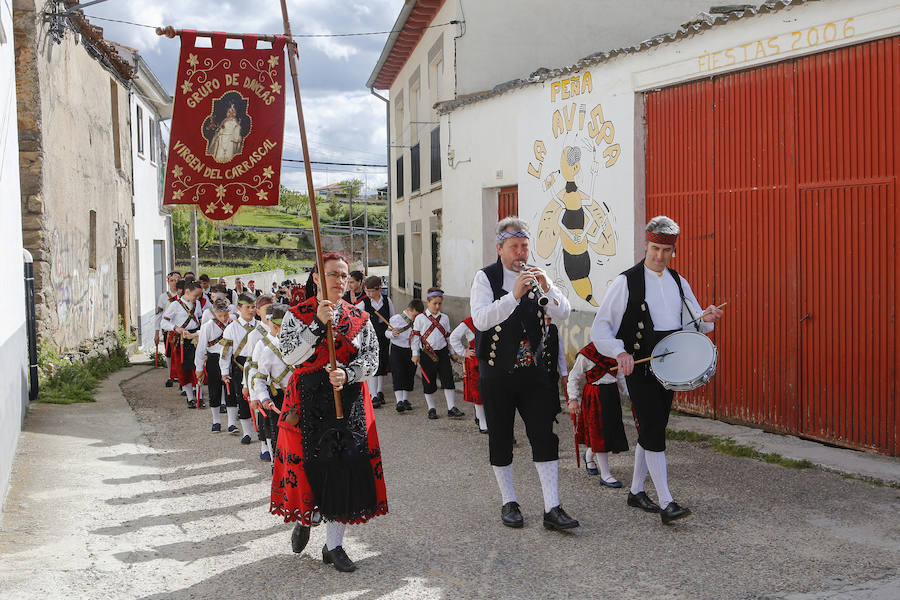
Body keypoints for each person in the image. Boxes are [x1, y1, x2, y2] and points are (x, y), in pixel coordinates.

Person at [590, 215, 723, 524]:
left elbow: (698, 323)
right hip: (639, 364)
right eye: (654, 249)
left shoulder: (679, 281)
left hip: (670, 366)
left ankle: (637, 492)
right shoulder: (626, 281)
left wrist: (709, 316)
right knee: (653, 429)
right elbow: (600, 330)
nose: (659, 256)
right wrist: (619, 352)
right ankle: (667, 502)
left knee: (653, 429)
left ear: (673, 251)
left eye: (666, 250)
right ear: (645, 245)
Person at [271, 252, 387, 573]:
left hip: (345, 400)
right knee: (310, 470)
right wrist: (317, 326)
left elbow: (373, 359)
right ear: (317, 279)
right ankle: (307, 518)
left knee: (344, 468)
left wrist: (348, 374)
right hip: (306, 400)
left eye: (344, 275)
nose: (340, 281)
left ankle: (333, 545)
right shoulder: (297, 315)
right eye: (333, 275)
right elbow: (291, 355)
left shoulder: (359, 317)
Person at [470, 216, 578, 531]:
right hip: (497, 374)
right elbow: (480, 320)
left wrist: (547, 288)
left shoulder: (536, 275)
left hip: (534, 374)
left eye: (525, 247)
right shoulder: (485, 278)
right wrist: (513, 295)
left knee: (545, 436)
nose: (521, 253)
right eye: (515, 247)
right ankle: (509, 501)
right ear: (500, 248)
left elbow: (564, 312)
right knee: (501, 438)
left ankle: (552, 507)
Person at [566, 341, 629, 486]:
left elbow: (620, 377)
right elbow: (573, 377)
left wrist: (630, 394)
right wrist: (573, 399)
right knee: (600, 433)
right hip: (594, 394)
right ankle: (605, 475)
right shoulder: (586, 354)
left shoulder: (616, 352)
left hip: (612, 394)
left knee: (609, 431)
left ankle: (588, 456)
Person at [411, 288, 463, 420]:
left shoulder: (444, 318)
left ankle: (451, 408)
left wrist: (452, 352)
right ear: (428, 302)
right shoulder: (420, 318)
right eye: (434, 303)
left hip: (443, 353)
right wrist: (415, 353)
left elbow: (447, 337)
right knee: (429, 381)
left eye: (440, 303)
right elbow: (416, 338)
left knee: (448, 379)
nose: (437, 306)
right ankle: (431, 408)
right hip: (427, 354)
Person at [249, 303, 292, 461]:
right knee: (279, 439)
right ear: (274, 326)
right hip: (278, 398)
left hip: (301, 395)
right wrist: (263, 398)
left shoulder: (304, 347)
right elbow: (259, 379)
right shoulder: (267, 349)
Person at [220, 293, 258, 444]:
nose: (251, 310)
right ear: (239, 308)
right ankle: (247, 432)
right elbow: (225, 353)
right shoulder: (231, 328)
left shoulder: (261, 327)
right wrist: (224, 371)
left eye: (253, 307)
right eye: (247, 307)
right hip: (239, 365)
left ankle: (262, 430)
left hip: (257, 364)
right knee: (242, 399)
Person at [160, 280, 204, 408]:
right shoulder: (175, 305)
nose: (197, 298)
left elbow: (200, 319)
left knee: (198, 367)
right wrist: (175, 328)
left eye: (199, 296)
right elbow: (164, 323)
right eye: (195, 295)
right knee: (184, 369)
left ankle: (199, 397)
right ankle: (190, 397)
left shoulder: (197, 304)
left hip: (195, 338)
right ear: (187, 291)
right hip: (182, 340)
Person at [243, 294, 276, 460]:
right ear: (258, 312)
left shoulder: (279, 327)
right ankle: (264, 445)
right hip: (262, 379)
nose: (269, 313)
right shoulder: (255, 334)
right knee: (264, 416)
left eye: (272, 308)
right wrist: (248, 386)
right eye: (266, 310)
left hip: (277, 378)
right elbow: (250, 363)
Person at [356, 275, 394, 408]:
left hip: (384, 338)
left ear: (379, 289)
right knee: (372, 365)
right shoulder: (364, 304)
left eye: (371, 291)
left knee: (382, 365)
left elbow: (392, 319)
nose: (369, 294)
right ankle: (373, 395)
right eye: (367, 291)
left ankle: (379, 391)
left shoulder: (387, 301)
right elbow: (355, 319)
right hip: (369, 339)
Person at [195, 298, 232, 432]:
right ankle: (216, 420)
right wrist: (199, 368)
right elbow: (200, 348)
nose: (223, 318)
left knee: (230, 391)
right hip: (214, 359)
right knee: (214, 390)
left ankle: (231, 422)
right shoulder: (208, 326)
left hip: (230, 359)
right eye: (220, 315)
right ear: (214, 313)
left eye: (226, 315)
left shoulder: (233, 323)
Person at [449, 317, 487, 433]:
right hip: (475, 361)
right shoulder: (469, 322)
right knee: (477, 390)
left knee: (490, 390)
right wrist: (463, 352)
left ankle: (484, 416)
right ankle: (482, 421)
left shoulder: (493, 317)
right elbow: (453, 337)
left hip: (490, 359)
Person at [385, 298, 423, 413]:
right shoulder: (396, 319)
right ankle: (399, 401)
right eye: (414, 315)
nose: (415, 318)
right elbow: (386, 333)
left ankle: (406, 399)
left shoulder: (419, 321)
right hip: (397, 349)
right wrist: (392, 333)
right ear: (408, 310)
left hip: (411, 350)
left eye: (418, 316)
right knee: (398, 373)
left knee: (409, 374)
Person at [156, 271, 181, 388]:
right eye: (172, 280)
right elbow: (159, 315)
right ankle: (170, 375)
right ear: (168, 282)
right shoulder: (163, 297)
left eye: (177, 280)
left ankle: (181, 376)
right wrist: (157, 333)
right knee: (169, 353)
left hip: (182, 329)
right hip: (169, 329)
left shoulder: (184, 295)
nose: (174, 283)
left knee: (182, 354)